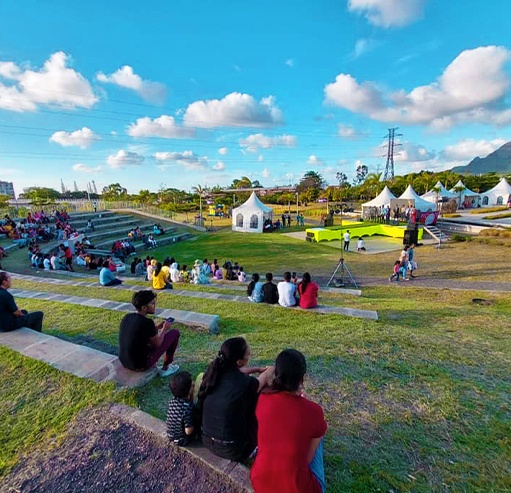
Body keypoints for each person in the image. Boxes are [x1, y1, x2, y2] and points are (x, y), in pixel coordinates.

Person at [250, 349, 327, 493]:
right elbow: (306, 461)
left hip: (260, 481)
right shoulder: (314, 411)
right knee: (319, 433)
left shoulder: (262, 399)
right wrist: (305, 404)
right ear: (302, 378)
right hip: (297, 488)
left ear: (277, 374)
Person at [198, 337, 274, 462]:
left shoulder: (213, 374)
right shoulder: (245, 383)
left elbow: (239, 371)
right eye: (248, 354)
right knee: (262, 392)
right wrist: (269, 370)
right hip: (233, 450)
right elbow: (263, 379)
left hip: (206, 439)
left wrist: (256, 369)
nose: (249, 355)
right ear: (239, 362)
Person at [119, 290, 180, 376]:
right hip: (140, 365)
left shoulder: (127, 317)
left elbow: (140, 332)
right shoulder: (147, 322)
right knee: (175, 333)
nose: (155, 306)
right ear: (144, 307)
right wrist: (164, 329)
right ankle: (165, 368)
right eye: (152, 304)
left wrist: (158, 327)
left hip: (124, 361)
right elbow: (157, 344)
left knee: (148, 341)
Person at [166, 371, 195, 446]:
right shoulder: (187, 407)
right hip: (181, 440)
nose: (194, 385)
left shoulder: (172, 401)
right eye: (192, 385)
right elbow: (188, 431)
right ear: (188, 391)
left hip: (170, 435)